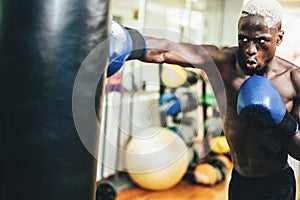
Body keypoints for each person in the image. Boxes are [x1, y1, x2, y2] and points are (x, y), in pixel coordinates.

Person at [108, 0, 300, 199]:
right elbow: (167, 50)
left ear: (279, 38)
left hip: (276, 185)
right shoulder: (226, 64)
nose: (250, 49)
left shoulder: (293, 81)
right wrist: (129, 41)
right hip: (239, 181)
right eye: (243, 39)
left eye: (261, 41)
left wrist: (280, 119)